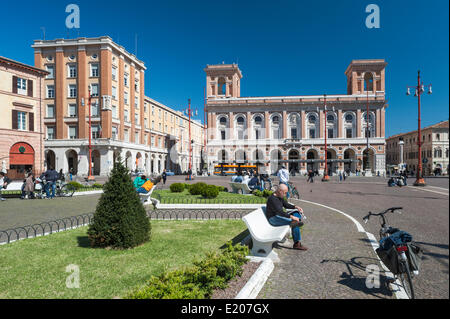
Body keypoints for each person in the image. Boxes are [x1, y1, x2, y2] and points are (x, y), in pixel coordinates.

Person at [266, 184, 308, 251]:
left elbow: (286, 205)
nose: (285, 194)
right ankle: (297, 244)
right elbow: (280, 212)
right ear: (280, 191)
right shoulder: (272, 199)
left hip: (279, 216)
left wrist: (296, 207)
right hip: (273, 218)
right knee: (295, 221)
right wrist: (292, 217)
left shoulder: (280, 197)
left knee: (296, 213)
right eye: (285, 192)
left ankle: (294, 221)